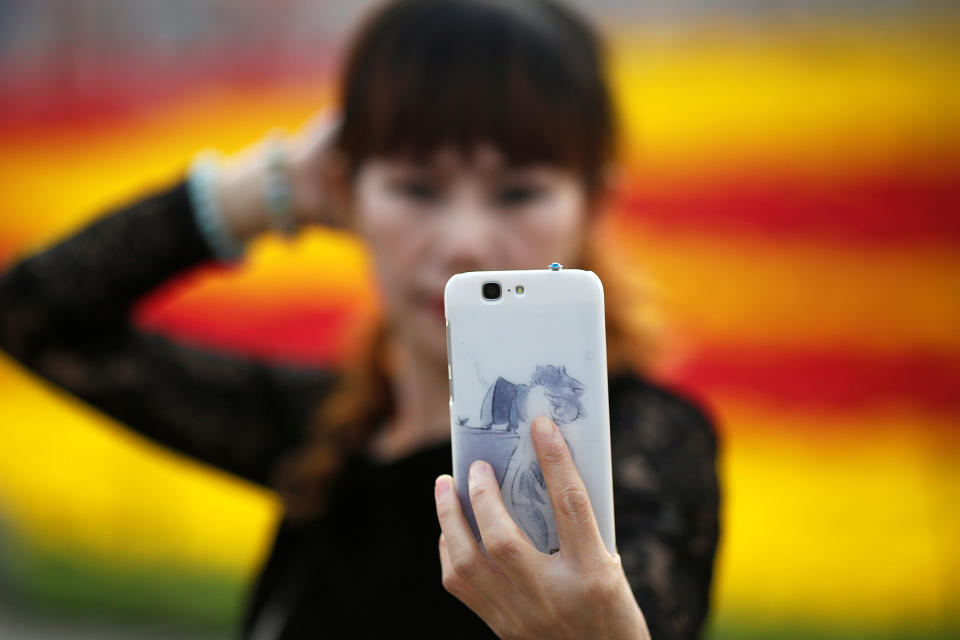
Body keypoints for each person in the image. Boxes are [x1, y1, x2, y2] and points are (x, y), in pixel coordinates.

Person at [0, 0, 720, 638]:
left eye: (518, 192)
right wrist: (274, 184)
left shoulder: (647, 450)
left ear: (592, 205)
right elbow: (33, 315)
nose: (464, 239)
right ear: (346, 193)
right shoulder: (332, 432)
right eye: (415, 186)